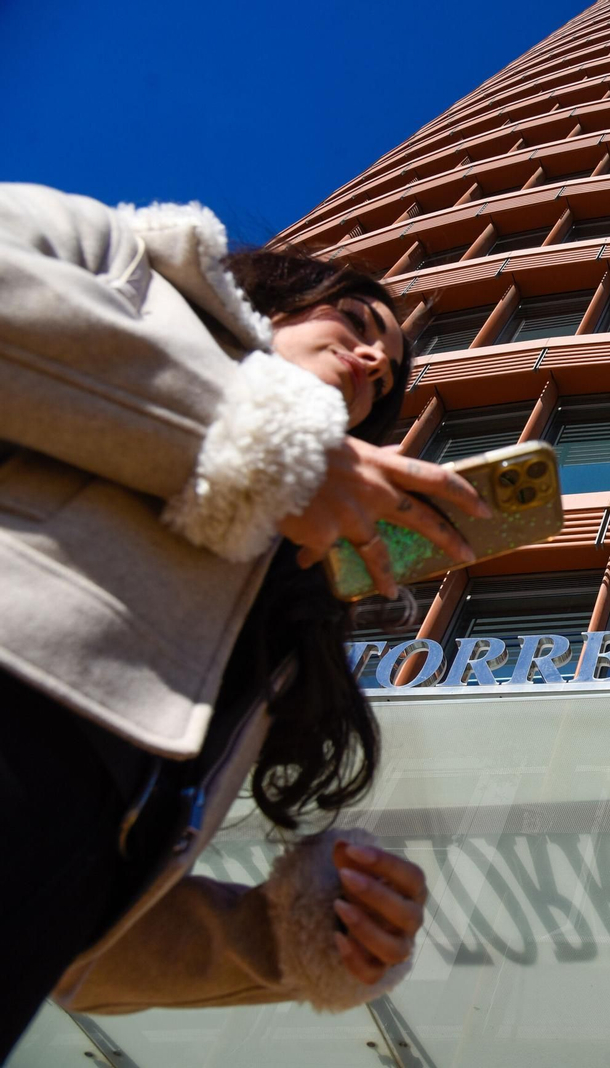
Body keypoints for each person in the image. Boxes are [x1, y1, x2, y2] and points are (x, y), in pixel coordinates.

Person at [0, 182, 485, 1056]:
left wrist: (289, 940)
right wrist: (246, 433)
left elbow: (80, 934)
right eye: (355, 319)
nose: (376, 362)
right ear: (278, 292)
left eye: (391, 373)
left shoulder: (287, 606)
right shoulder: (126, 264)